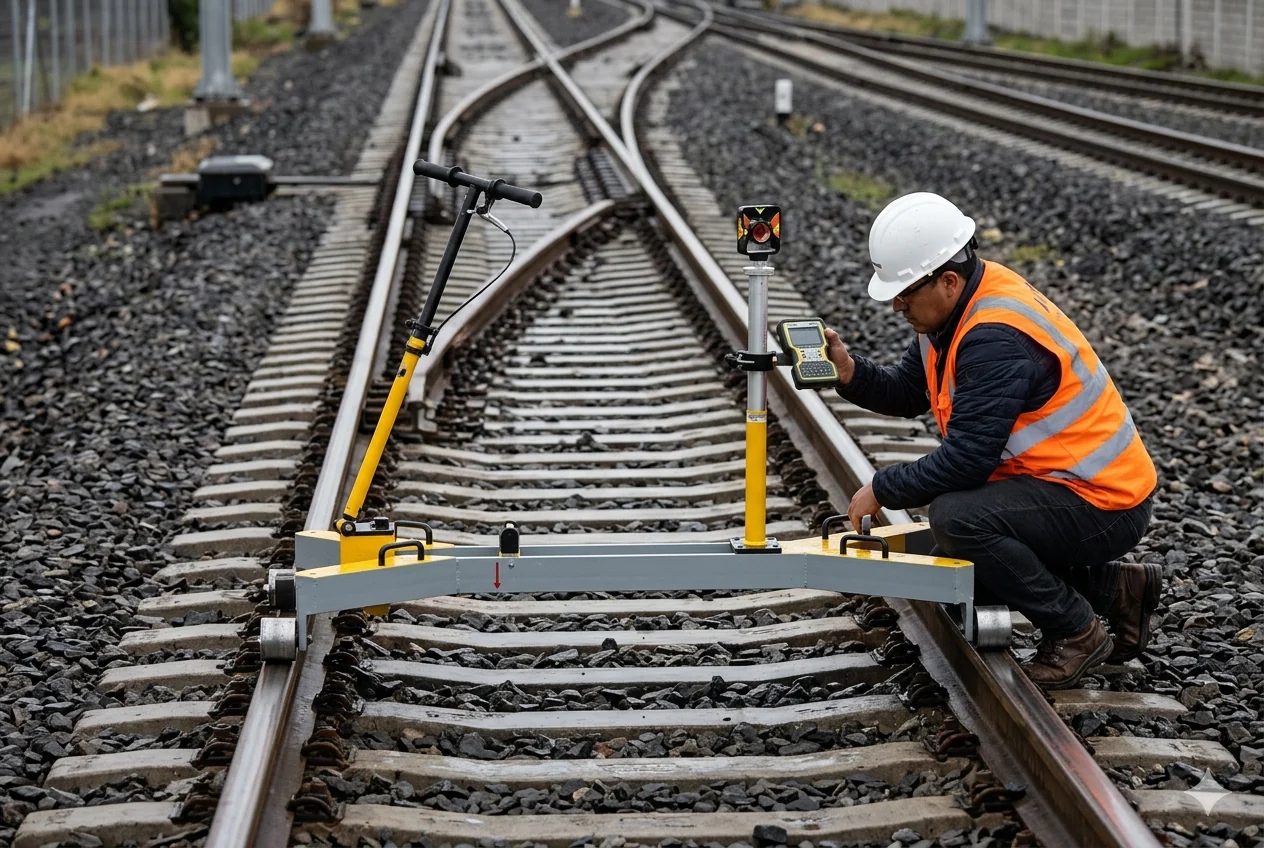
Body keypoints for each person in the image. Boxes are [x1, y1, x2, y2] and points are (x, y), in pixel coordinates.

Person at [828, 192, 1159, 689]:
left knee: (958, 520)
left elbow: (967, 460)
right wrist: (850, 373)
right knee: (958, 564)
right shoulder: (954, 309)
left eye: (904, 293)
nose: (897, 305)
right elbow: (910, 390)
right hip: (1060, 483)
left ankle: (1076, 631)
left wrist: (882, 487)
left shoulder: (993, 335)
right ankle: (1115, 589)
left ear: (947, 281)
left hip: (1103, 500)